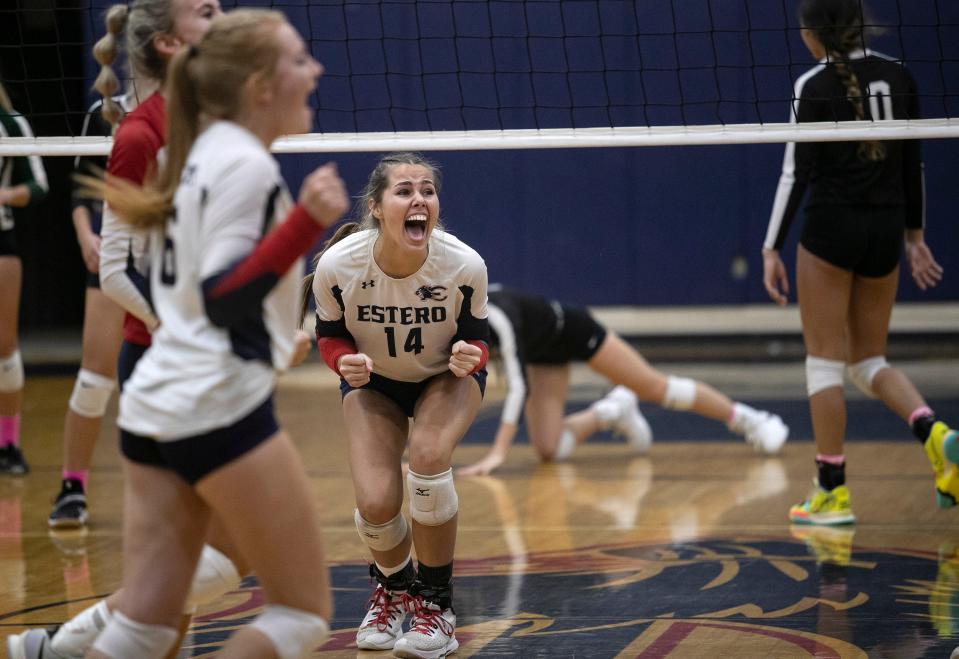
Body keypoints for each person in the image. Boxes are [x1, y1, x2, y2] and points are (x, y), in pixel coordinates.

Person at [6, 2, 276, 658]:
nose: (221, 15)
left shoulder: (217, 123)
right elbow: (116, 272)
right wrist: (188, 327)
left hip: (215, 359)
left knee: (203, 555)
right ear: (167, 41)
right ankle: (64, 635)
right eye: (205, 10)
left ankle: (56, 645)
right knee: (216, 551)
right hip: (166, 360)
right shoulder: (138, 132)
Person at [82, 9, 345, 659]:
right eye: (298, 60)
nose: (315, 72)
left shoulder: (189, 153)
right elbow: (222, 296)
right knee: (301, 611)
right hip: (214, 400)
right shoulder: (241, 167)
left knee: (146, 621)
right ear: (259, 85)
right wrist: (304, 224)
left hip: (154, 398)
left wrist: (277, 330)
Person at [761, 0, 959, 525]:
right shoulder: (900, 75)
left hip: (831, 229)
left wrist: (770, 247)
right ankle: (936, 434)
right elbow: (913, 161)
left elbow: (794, 175)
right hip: (884, 230)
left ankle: (831, 490)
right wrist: (914, 237)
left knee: (824, 361)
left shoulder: (813, 85)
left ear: (812, 33)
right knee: (869, 359)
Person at [304, 152, 490, 657]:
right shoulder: (339, 267)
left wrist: (468, 354)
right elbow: (329, 336)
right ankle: (395, 590)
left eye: (427, 191)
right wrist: (343, 362)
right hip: (377, 384)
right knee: (376, 504)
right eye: (405, 190)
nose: (419, 200)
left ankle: (436, 607)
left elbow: (478, 339)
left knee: (428, 457)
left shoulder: (464, 264)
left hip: (444, 380)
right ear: (376, 207)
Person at [457, 285, 789, 477]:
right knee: (549, 449)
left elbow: (518, 386)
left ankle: (751, 420)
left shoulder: (497, 315)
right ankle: (613, 411)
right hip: (545, 353)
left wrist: (498, 453)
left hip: (576, 330)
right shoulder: (454, 320)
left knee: (660, 389)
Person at [47, 62, 156, 527]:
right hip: (116, 255)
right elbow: (79, 190)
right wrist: (84, 237)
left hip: (166, 262)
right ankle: (72, 486)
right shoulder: (106, 114)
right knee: (95, 378)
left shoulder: (197, 111)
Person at [0, 80, 48, 475]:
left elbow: (39, 184)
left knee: (4, 343)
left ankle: (9, 444)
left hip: (1, 238)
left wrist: (4, 195)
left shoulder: (11, 123)